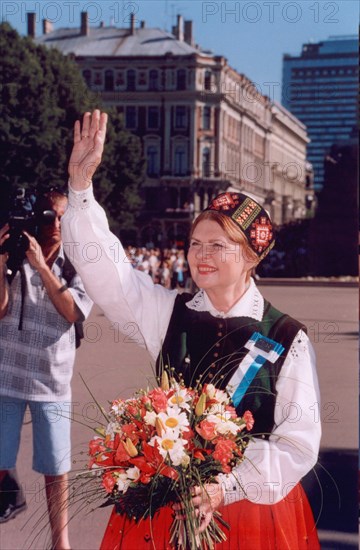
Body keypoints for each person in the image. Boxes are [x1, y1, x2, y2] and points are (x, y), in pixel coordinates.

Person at [62, 110, 321, 549]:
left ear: (251, 257)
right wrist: (81, 189)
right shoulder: (170, 312)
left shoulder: (287, 337)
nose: (200, 255)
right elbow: (110, 273)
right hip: (168, 507)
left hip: (251, 514)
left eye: (217, 246)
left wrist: (227, 486)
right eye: (195, 243)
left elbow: (298, 443)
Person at [0, 189, 93, 550]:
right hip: (7, 373)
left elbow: (73, 311)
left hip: (52, 380)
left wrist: (42, 267)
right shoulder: (15, 257)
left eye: (61, 217)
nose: (54, 224)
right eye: (48, 216)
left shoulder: (77, 264)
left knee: (56, 468)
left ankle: (61, 542)